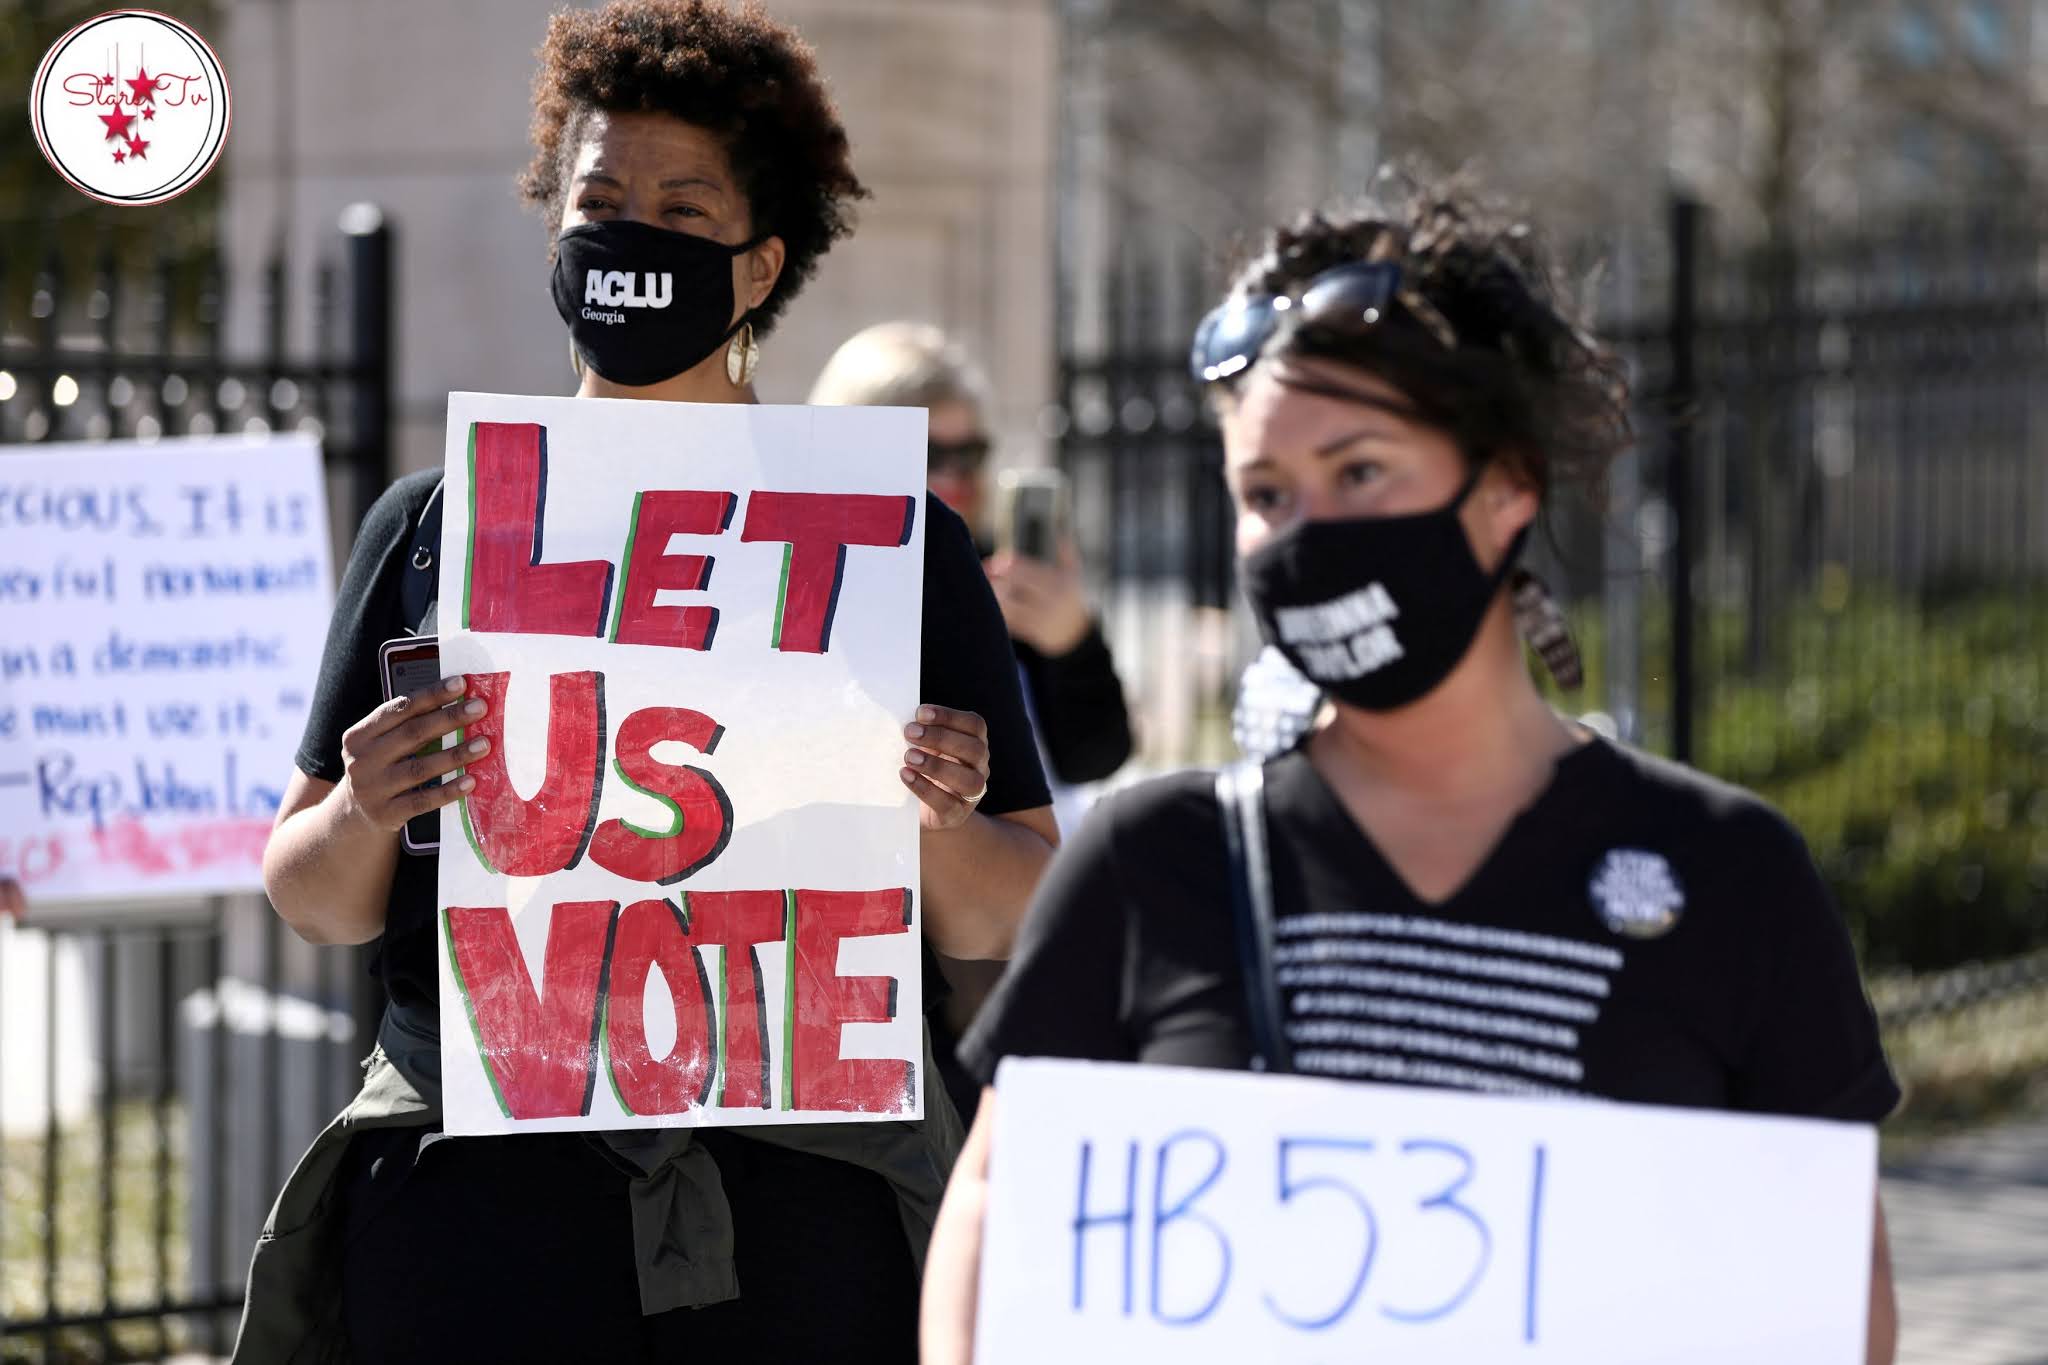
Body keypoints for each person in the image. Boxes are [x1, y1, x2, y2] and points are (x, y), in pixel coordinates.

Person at [920, 175, 1900, 1365]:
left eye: (1361, 472)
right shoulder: (1144, 869)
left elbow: (1837, 1306)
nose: (1305, 535)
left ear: (1504, 487)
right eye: (1264, 495)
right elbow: (991, 1231)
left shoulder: (1727, 879)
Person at [235, 4, 1056, 1362]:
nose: (632, 238)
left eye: (684, 210)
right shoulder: (437, 526)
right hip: (474, 1211)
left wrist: (935, 821)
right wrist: (367, 809)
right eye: (599, 199)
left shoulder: (890, 546)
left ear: (757, 267)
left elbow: (1005, 913)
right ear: (553, 225)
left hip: (800, 1212)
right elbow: (311, 898)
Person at [808, 323, 1134, 1124]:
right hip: (883, 965)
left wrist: (1073, 642)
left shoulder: (1006, 575)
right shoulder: (828, 583)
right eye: (928, 457)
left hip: (1024, 938)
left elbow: (1099, 751)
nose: (954, 479)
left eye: (973, 455)